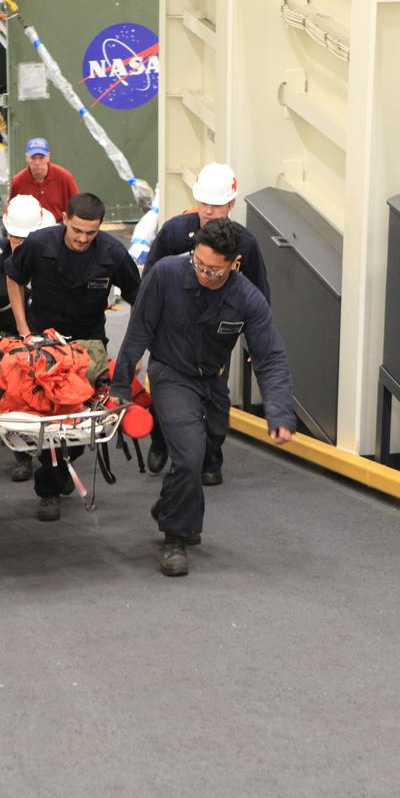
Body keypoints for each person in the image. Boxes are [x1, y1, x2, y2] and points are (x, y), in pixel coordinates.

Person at [111, 219, 295, 576]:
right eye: (199, 264)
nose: (204, 274)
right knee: (190, 454)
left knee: (209, 448)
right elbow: (139, 331)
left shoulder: (247, 298)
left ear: (235, 264)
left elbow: (270, 357)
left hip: (212, 382)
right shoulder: (165, 274)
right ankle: (175, 538)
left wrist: (280, 412)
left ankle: (169, 506)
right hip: (170, 375)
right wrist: (121, 387)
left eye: (214, 270)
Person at [4, 192, 141, 521]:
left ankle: (62, 466)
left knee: (81, 420)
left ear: (100, 228)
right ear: (64, 219)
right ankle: (49, 489)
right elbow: (13, 277)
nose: (82, 238)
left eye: (90, 233)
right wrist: (23, 329)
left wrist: (134, 351)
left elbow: (142, 300)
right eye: (76, 229)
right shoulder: (38, 245)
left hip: (89, 341)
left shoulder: (112, 254)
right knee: (50, 415)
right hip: (43, 339)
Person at [142, 162, 271, 482]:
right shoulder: (173, 232)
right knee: (168, 394)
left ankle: (211, 457)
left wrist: (259, 344)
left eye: (217, 205)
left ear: (231, 204)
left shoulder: (245, 244)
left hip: (215, 334)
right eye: (205, 204)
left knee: (214, 396)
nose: (210, 211)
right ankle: (161, 439)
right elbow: (149, 284)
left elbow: (259, 296)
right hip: (171, 330)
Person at [0, 195, 55, 482]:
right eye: (16, 238)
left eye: (27, 239)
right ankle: (23, 452)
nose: (21, 245)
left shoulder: (55, 260)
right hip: (3, 345)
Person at [8, 137, 79, 223]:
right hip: (29, 228)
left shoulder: (65, 177)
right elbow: (11, 209)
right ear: (27, 158)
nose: (37, 163)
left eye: (41, 157)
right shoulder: (18, 181)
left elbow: (77, 206)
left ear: (48, 157)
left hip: (59, 227)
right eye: (33, 158)